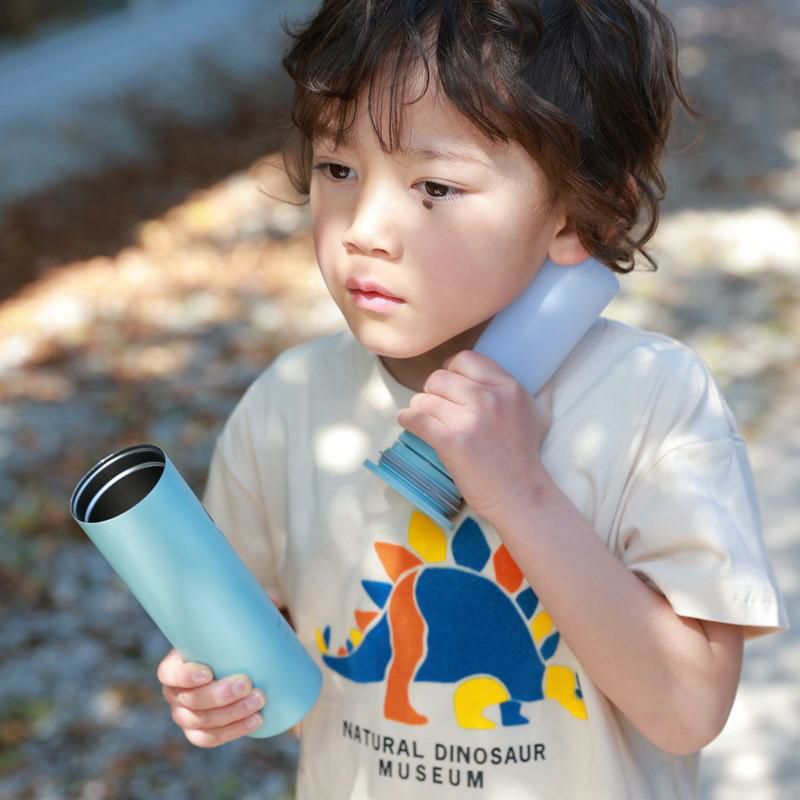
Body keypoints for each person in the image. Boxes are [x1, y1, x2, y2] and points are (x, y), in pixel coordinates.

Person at [156, 1, 789, 797]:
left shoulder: (651, 400)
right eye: (338, 168)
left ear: (581, 211)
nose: (364, 229)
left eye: (436, 185)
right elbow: (272, 648)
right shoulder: (287, 404)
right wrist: (225, 686)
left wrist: (519, 490)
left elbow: (688, 710)